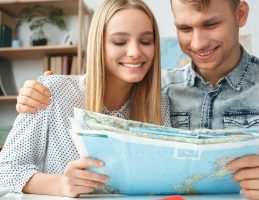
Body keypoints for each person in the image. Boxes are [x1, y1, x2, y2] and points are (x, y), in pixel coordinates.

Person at [13, 0, 259, 199]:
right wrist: (39, 91)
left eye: (211, 24)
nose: (198, 43)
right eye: (185, 29)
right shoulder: (160, 88)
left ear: (240, 14)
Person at [0, 0, 170, 197]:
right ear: (99, 45)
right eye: (120, 42)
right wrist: (60, 185)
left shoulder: (159, 103)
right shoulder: (51, 92)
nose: (135, 52)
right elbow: (4, 171)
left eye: (146, 41)